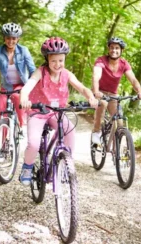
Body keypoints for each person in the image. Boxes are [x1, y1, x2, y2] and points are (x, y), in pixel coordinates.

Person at [19, 37, 98, 186]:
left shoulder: (66, 74)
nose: (57, 64)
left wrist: (90, 97)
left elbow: (82, 88)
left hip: (56, 112)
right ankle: (27, 167)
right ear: (47, 60)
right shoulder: (40, 72)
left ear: (64, 59)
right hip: (37, 112)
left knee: (69, 130)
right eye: (53, 61)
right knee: (34, 144)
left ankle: (66, 162)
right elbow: (27, 87)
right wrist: (24, 98)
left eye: (61, 60)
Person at [0, 22, 35, 131]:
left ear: (18, 39)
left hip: (21, 86)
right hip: (6, 86)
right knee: (2, 112)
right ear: (4, 38)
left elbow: (32, 70)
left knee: (16, 98)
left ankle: (21, 126)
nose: (11, 41)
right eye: (8, 38)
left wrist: (32, 87)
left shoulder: (24, 51)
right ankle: (4, 142)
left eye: (14, 38)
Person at [91, 37, 141, 144]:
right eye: (111, 47)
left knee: (119, 123)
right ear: (108, 49)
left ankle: (117, 151)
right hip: (100, 92)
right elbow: (96, 76)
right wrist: (96, 91)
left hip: (113, 94)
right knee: (101, 105)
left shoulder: (124, 64)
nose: (114, 50)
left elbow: (133, 79)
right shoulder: (101, 60)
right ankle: (96, 132)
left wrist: (139, 91)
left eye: (117, 48)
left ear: (121, 50)